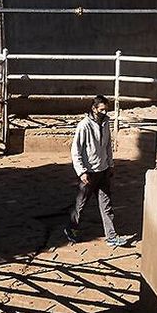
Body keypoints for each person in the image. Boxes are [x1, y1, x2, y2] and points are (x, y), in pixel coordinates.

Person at [63, 95, 130, 247]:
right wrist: (81, 171)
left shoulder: (106, 123)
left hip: (103, 170)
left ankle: (111, 236)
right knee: (81, 205)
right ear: (93, 109)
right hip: (89, 172)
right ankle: (71, 228)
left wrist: (110, 164)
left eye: (106, 110)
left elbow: (107, 146)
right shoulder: (84, 126)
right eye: (101, 109)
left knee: (106, 205)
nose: (104, 112)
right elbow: (76, 151)